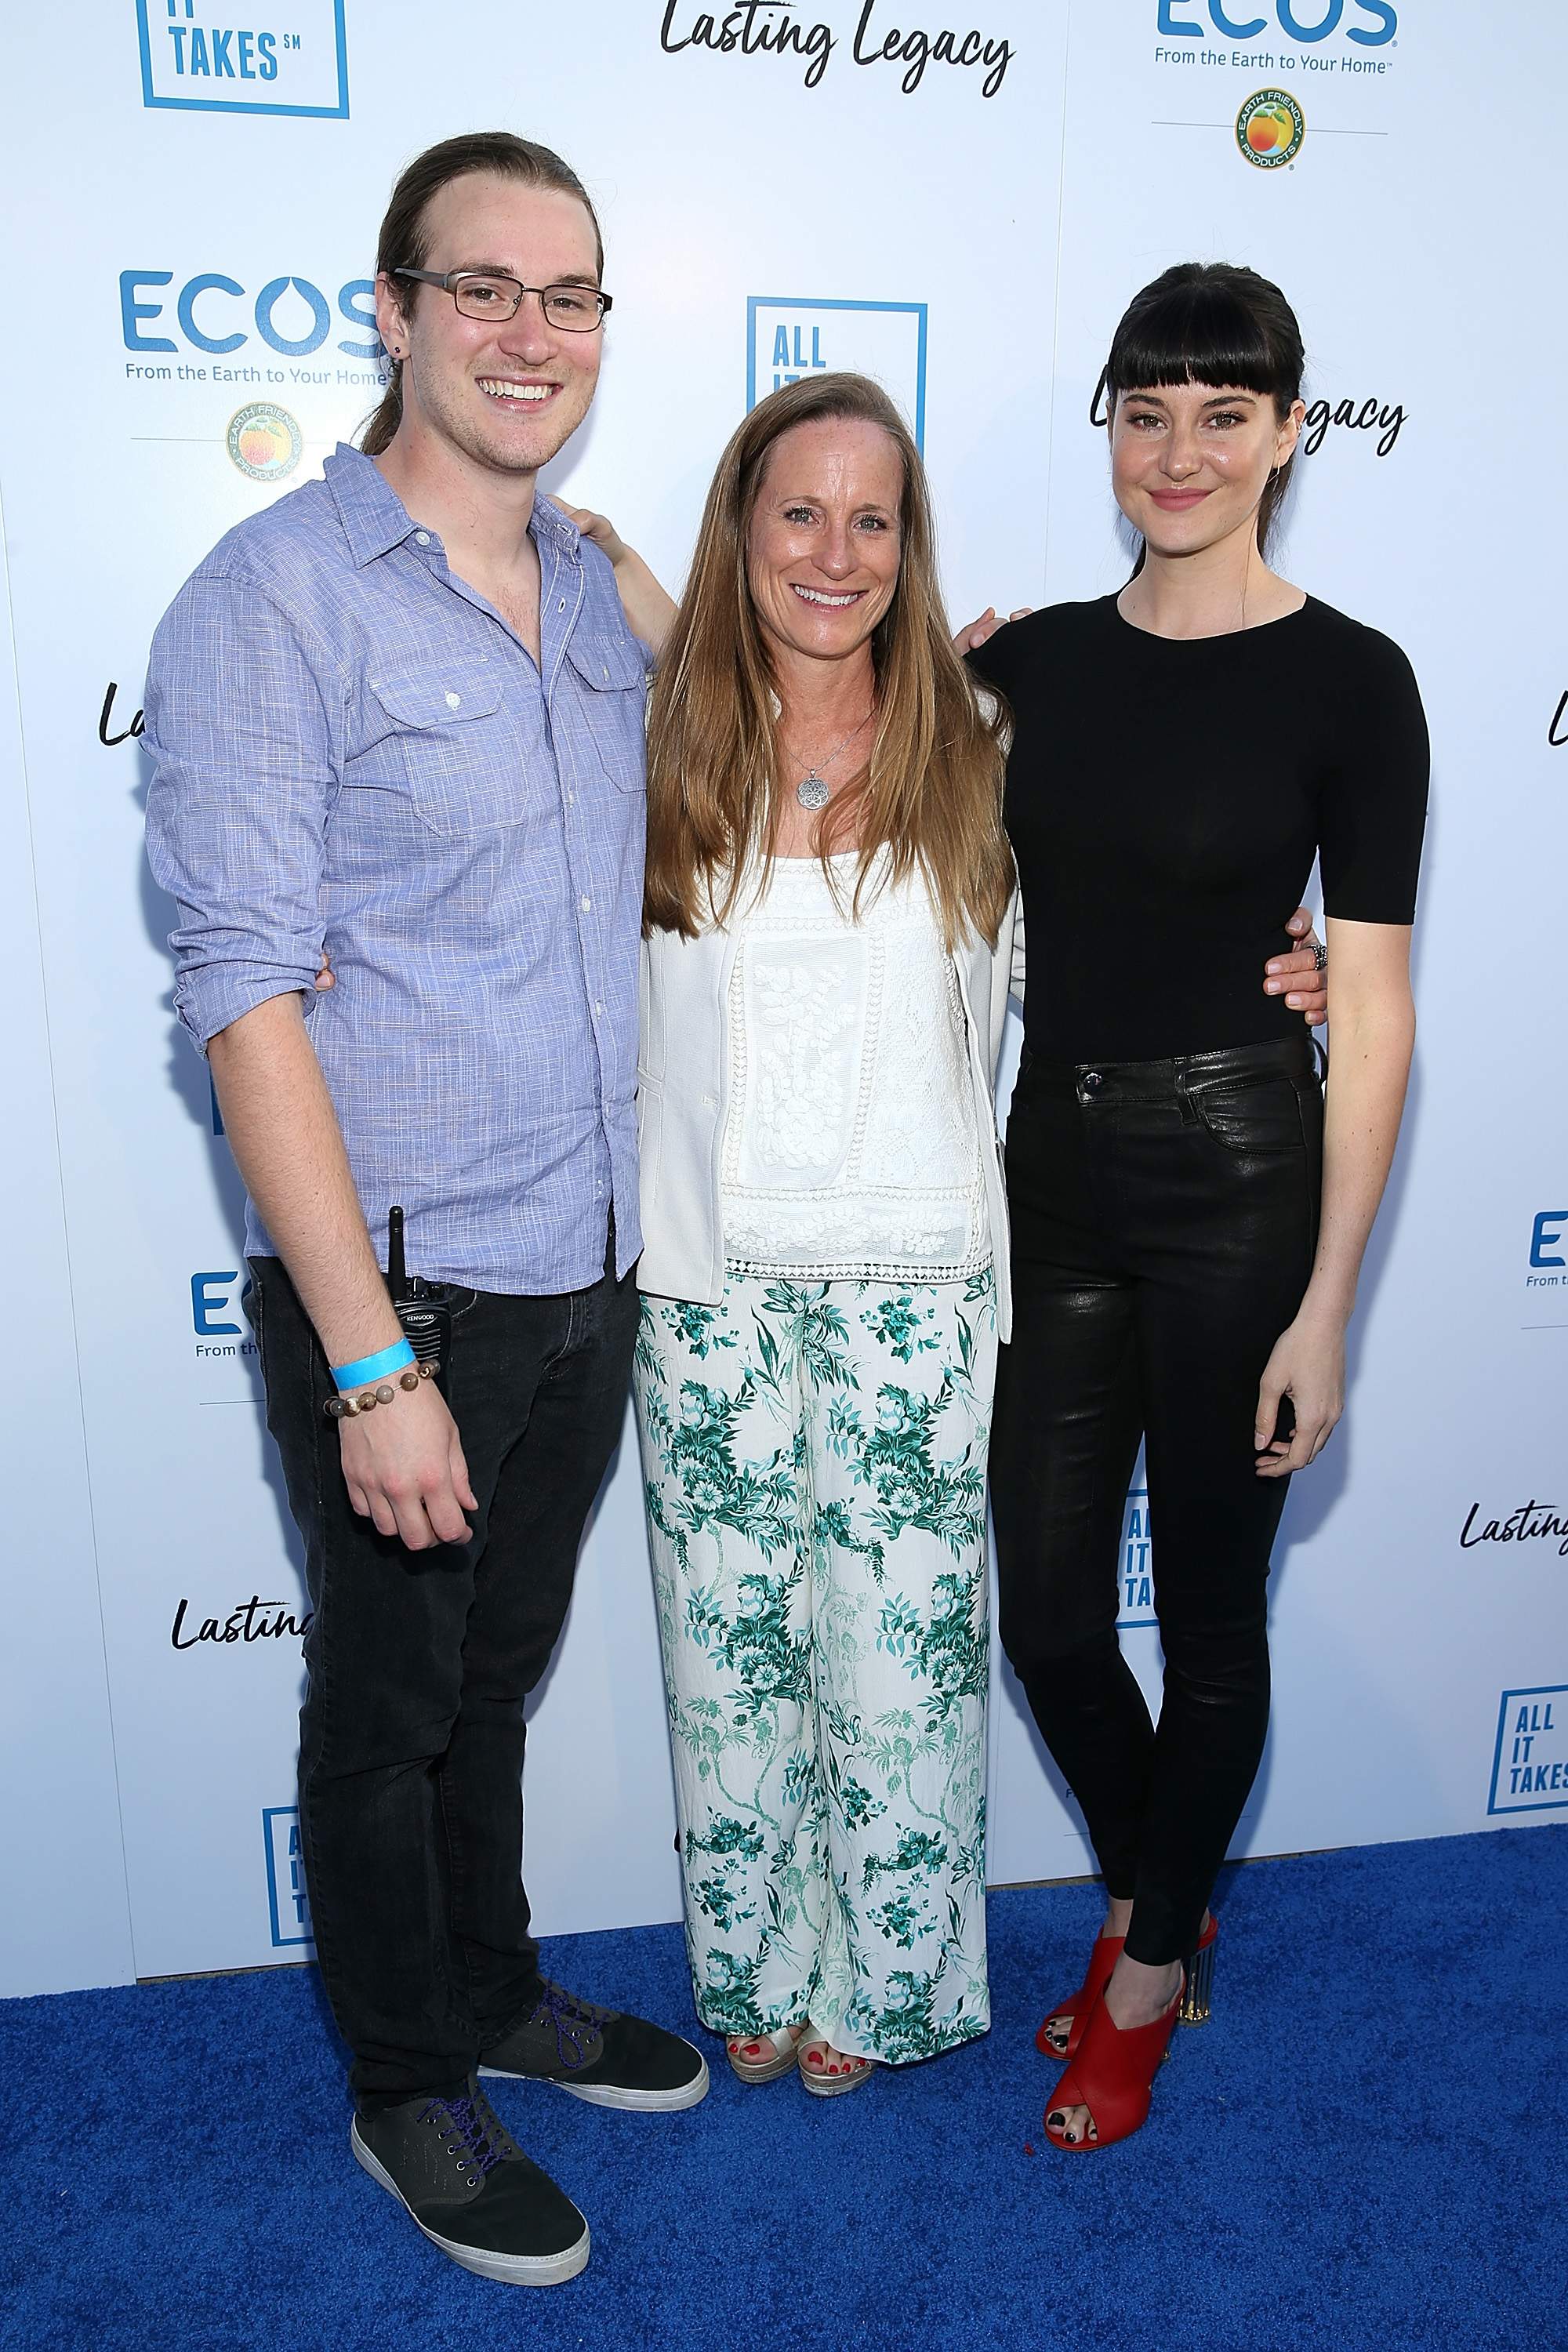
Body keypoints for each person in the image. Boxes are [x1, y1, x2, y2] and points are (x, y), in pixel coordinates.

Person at [578, 370, 1327, 2096]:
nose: (834, 550)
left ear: (909, 549)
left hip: (920, 1275)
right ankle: (754, 1965)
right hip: (706, 1276)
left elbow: (1161, 872)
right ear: (740, 532)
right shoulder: (647, 737)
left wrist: (1293, 962)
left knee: (905, 1673)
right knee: (729, 1663)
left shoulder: (991, 736)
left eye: (873, 517)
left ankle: (892, 1984)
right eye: (797, 511)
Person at [143, 132, 705, 2291]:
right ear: (390, 307)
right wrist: (368, 1356)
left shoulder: (593, 589)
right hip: (410, 1297)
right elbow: (243, 1002)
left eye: (568, 298)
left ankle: (490, 1988)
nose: (527, 333)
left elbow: (804, 758)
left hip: (590, 1270)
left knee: (500, 1682)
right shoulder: (269, 599)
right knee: (384, 1719)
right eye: (483, 288)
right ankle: (406, 2084)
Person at [967, 262, 1428, 2151]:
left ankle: (1145, 1967)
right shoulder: (1026, 665)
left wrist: (1330, 1307)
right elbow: (795, 727)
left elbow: (1379, 1014)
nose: (1179, 449)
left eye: (1222, 412)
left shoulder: (1351, 680)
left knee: (1214, 1620)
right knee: (1054, 1621)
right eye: (1145, 409)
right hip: (1047, 1175)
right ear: (1108, 429)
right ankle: (1177, 1885)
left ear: (1287, 433)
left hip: (1242, 1172)